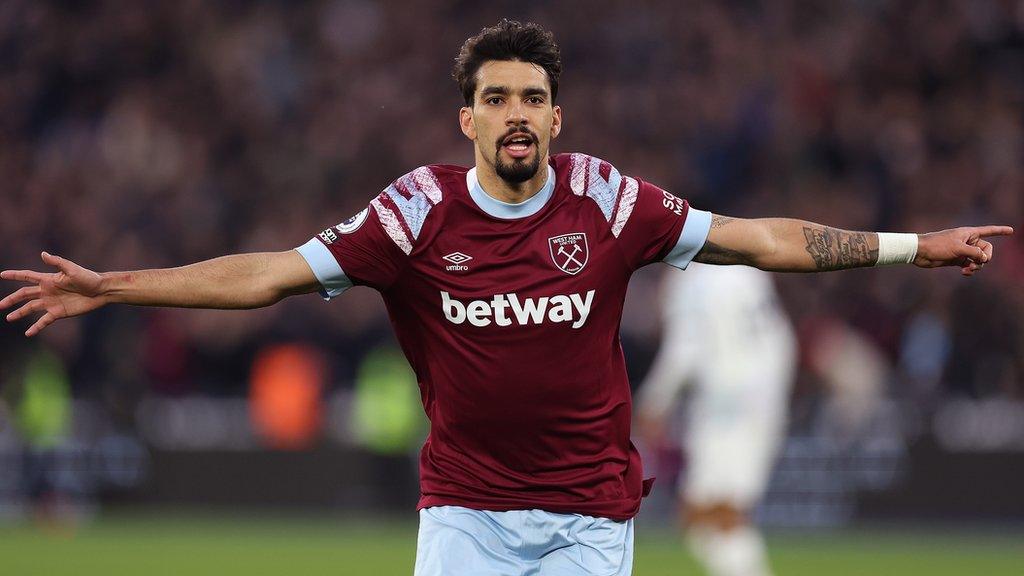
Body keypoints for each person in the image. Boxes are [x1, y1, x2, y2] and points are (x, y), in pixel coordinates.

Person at [0, 20, 1012, 576]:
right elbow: (265, 275)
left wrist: (910, 247)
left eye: (532, 97)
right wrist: (114, 288)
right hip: (465, 516)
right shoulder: (413, 213)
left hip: (586, 517)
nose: (516, 113)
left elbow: (760, 241)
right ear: (467, 118)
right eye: (496, 98)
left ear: (556, 115)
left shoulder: (610, 200)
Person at [636, 264, 796, 576]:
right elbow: (781, 337)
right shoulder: (747, 268)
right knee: (714, 515)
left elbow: (684, 347)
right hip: (763, 399)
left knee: (713, 514)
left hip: (725, 405)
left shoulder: (688, 279)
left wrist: (655, 401)